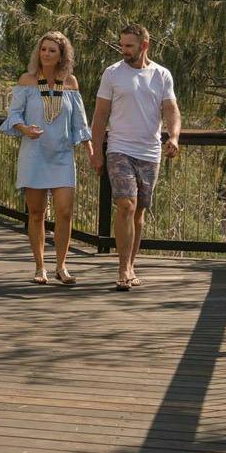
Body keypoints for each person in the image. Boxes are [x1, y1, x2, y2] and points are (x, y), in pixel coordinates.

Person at [91, 23, 181, 291]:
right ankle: (121, 269)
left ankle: (131, 264)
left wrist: (174, 137)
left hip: (150, 152)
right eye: (122, 44)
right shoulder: (112, 74)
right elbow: (100, 116)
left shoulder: (161, 75)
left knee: (140, 210)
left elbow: (172, 111)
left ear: (144, 46)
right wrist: (97, 151)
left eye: (129, 45)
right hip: (119, 149)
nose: (123, 50)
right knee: (126, 206)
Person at [0, 31, 94, 286]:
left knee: (64, 212)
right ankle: (40, 267)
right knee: (37, 213)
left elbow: (80, 120)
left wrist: (89, 148)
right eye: (43, 49)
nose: (47, 54)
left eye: (53, 50)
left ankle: (61, 266)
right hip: (35, 154)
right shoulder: (28, 81)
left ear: (62, 55)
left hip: (62, 154)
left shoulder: (70, 82)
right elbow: (14, 115)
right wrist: (25, 130)